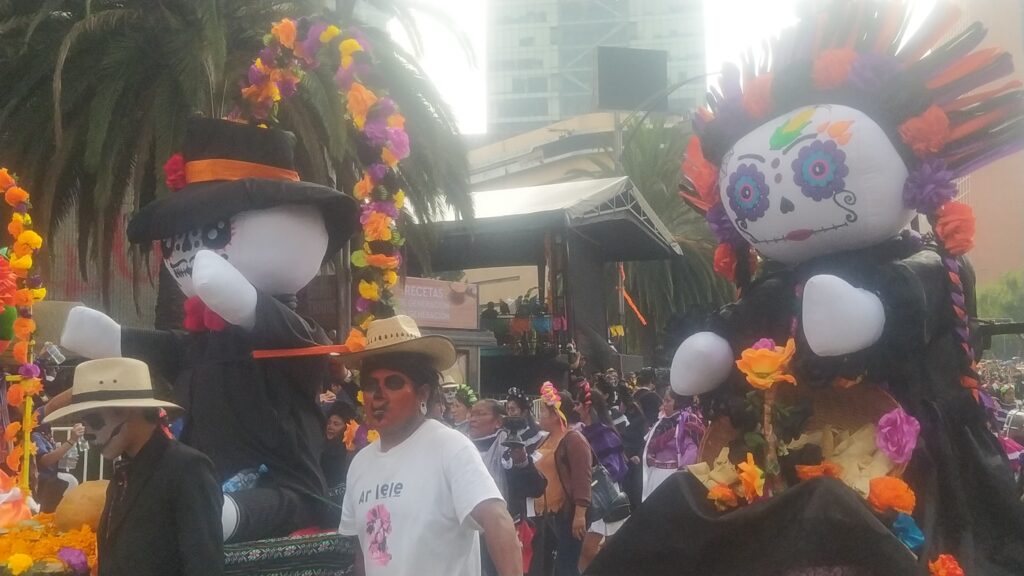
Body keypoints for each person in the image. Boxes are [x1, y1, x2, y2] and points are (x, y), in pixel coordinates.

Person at [339, 315, 521, 576]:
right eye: (370, 385)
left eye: (393, 383)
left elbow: (498, 522)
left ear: (422, 393)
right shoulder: (360, 464)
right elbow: (363, 555)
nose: (378, 396)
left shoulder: (450, 447)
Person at [43, 357, 222, 576]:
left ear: (126, 410)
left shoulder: (187, 468)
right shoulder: (123, 473)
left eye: (92, 420)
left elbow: (203, 565)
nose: (87, 433)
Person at [530, 382, 591, 576]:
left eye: (544, 413)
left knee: (566, 566)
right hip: (545, 514)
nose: (540, 417)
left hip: (567, 514)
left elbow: (583, 478)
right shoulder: (544, 438)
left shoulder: (573, 439)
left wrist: (580, 514)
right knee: (544, 565)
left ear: (557, 416)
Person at [572, 383, 628, 572]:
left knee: (600, 548)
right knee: (590, 550)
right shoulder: (581, 433)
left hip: (606, 495)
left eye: (578, 404)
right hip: (591, 495)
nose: (575, 408)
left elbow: (615, 468)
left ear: (587, 407)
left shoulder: (605, 434)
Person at [641, 390, 705, 502]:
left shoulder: (687, 420)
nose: (664, 405)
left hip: (673, 475)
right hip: (655, 475)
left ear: (679, 402)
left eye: (668, 401)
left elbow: (692, 450)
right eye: (663, 401)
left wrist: (680, 475)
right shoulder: (662, 421)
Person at [31, 420, 85, 513]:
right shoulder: (35, 435)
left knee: (70, 480)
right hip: (43, 480)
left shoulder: (45, 432)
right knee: (70, 481)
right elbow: (45, 461)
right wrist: (71, 441)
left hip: (52, 476)